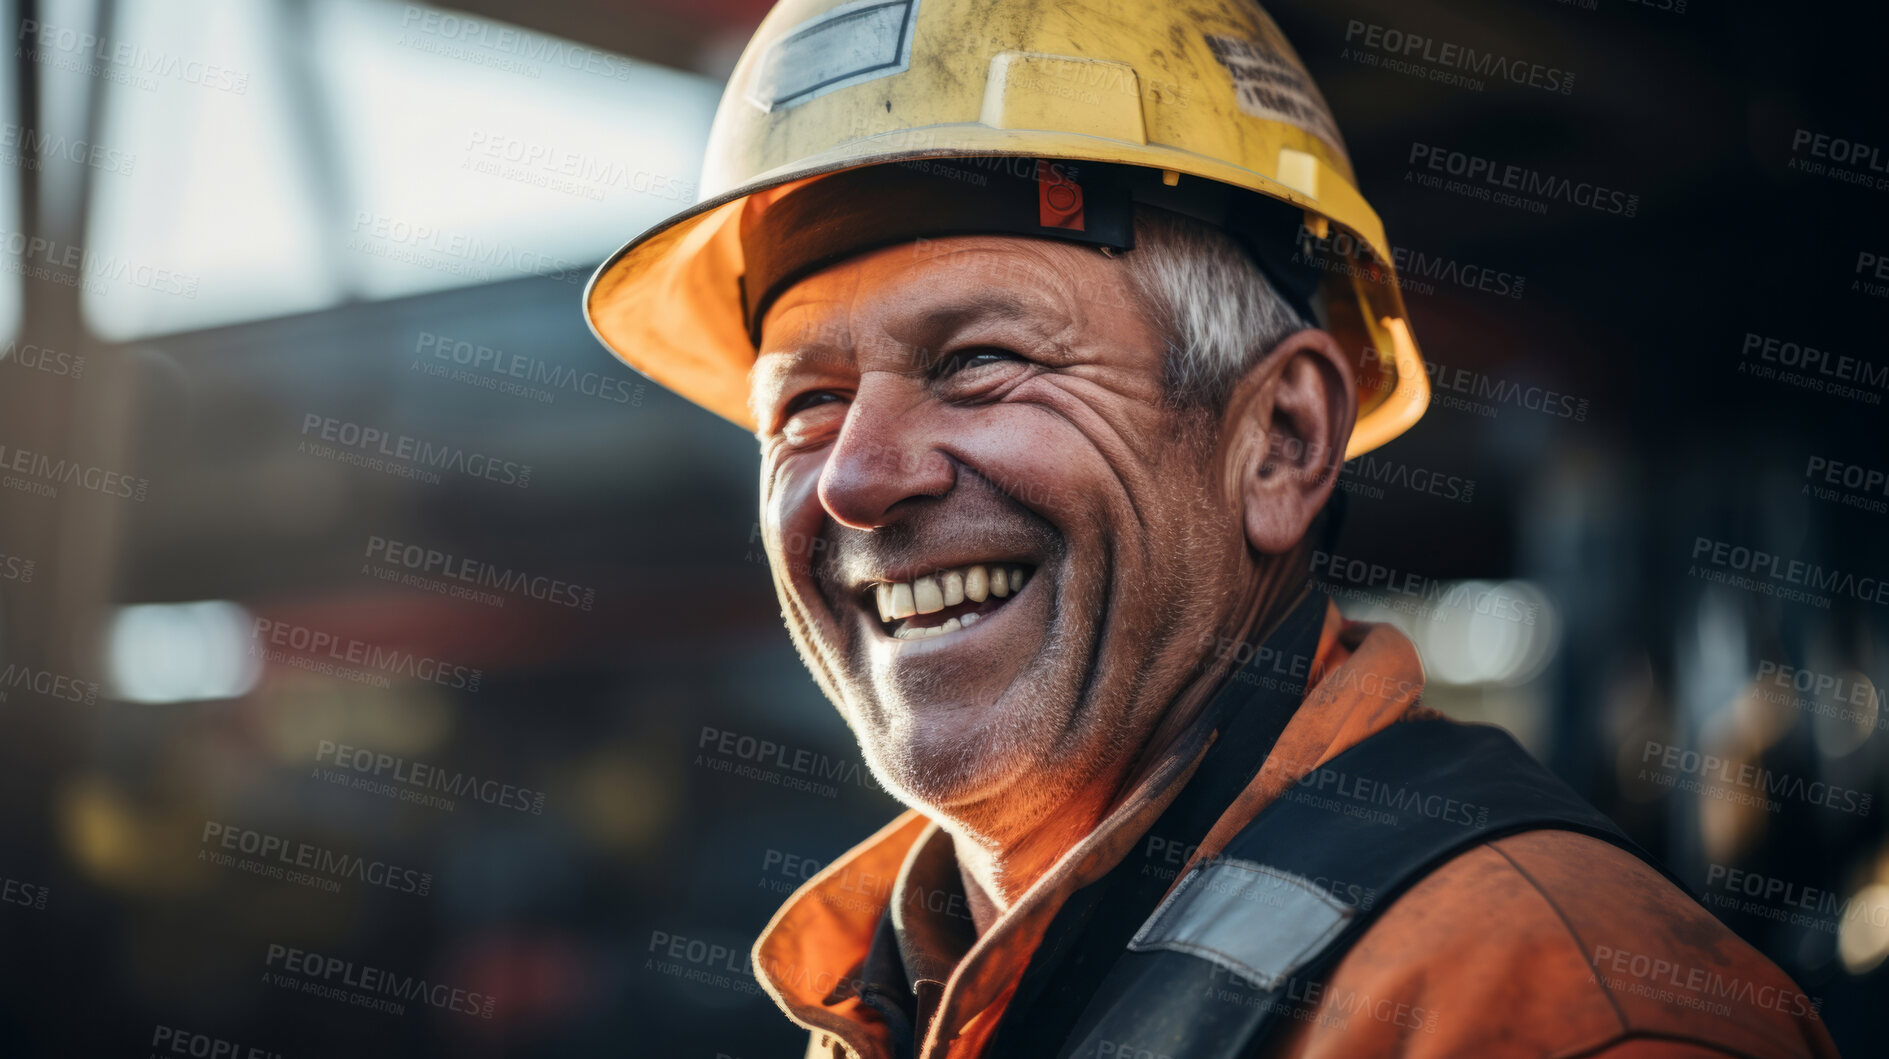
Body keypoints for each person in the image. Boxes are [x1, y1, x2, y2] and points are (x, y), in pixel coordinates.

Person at [585, 0, 1839, 1055]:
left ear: (1280, 440)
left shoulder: (1543, 1005)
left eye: (977, 361)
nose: (854, 478)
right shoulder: (890, 1000)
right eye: (803, 407)